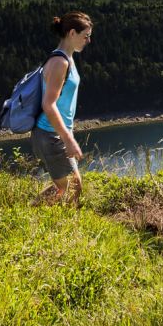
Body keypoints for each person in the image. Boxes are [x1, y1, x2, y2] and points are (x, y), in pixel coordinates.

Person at [32, 11, 92, 205]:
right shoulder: (59, 62)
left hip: (56, 133)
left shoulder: (67, 58)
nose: (88, 41)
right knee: (71, 187)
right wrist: (68, 140)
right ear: (72, 33)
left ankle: (36, 211)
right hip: (50, 134)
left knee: (71, 186)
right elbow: (48, 105)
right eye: (86, 36)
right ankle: (34, 212)